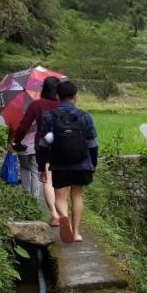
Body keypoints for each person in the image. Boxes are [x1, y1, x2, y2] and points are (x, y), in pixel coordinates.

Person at [37, 80, 98, 244]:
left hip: (58, 163)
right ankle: (76, 233)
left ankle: (63, 217)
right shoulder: (85, 117)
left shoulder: (49, 117)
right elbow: (93, 144)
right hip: (82, 163)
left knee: (60, 197)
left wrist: (42, 167)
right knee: (77, 195)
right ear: (76, 96)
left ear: (58, 96)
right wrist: (93, 164)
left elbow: (43, 145)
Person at [12, 76, 62, 226]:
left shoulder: (36, 105)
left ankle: (54, 215)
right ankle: (63, 213)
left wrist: (17, 141)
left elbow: (24, 126)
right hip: (65, 145)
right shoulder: (63, 105)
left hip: (45, 145)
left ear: (43, 89)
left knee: (48, 180)